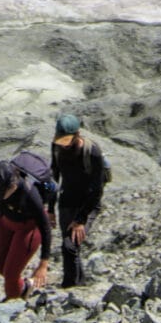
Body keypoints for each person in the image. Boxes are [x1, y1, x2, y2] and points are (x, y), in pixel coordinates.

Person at [0, 142, 60, 300]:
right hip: (5, 220)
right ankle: (25, 286)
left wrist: (43, 265)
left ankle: (14, 305)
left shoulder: (30, 195)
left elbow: (45, 228)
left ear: (13, 186)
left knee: (10, 275)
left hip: (27, 229)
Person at [50, 111, 110, 288]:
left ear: (77, 135)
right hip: (67, 201)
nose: (64, 145)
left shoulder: (92, 152)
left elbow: (97, 190)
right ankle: (79, 285)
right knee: (70, 247)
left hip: (88, 204)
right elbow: (53, 178)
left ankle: (69, 287)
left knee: (70, 245)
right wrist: (50, 208)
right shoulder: (56, 147)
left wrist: (80, 220)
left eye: (67, 141)